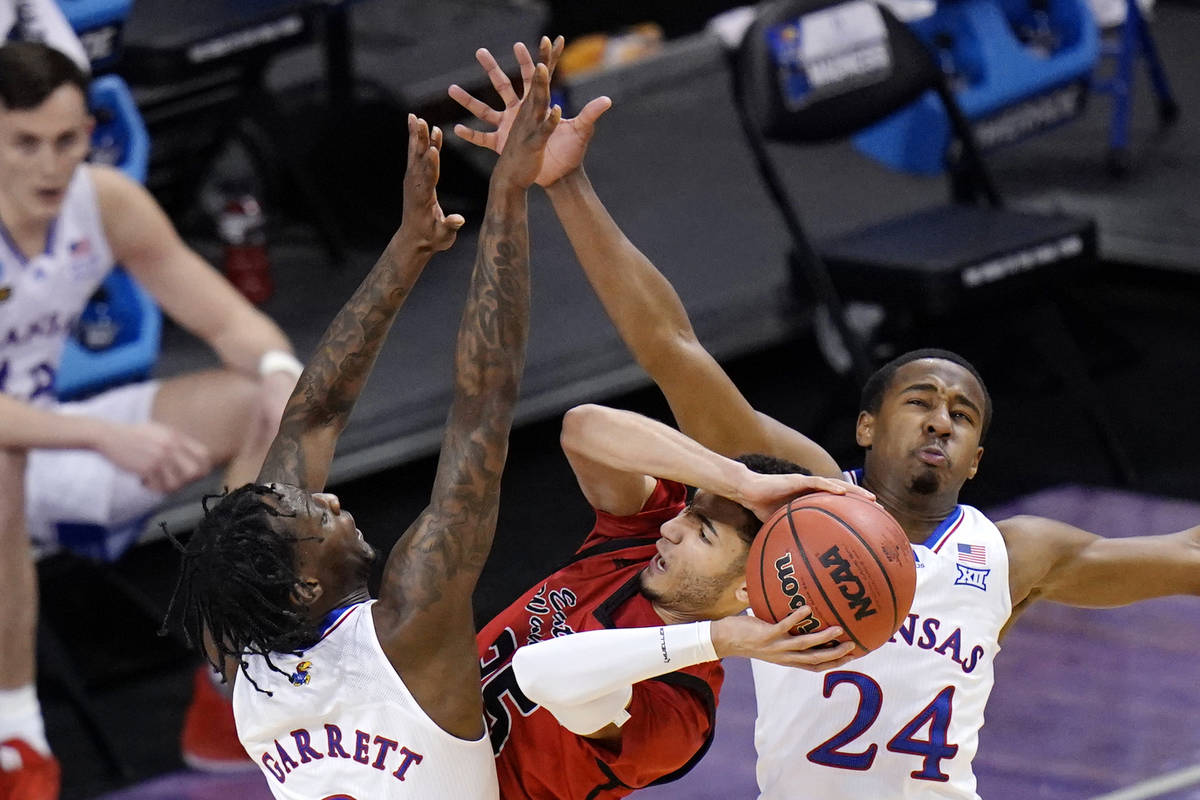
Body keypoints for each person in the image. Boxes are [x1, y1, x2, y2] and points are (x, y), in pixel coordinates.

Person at [452, 41, 1200, 800]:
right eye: (920, 401)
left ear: (977, 459)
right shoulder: (797, 500)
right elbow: (670, 346)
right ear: (867, 427)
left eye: (964, 414)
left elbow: (1187, 558)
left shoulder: (1012, 554)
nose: (942, 419)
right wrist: (569, 182)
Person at [163, 51, 561, 798]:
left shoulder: (245, 650)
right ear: (298, 591)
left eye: (312, 499)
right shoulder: (408, 629)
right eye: (314, 514)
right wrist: (508, 197)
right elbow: (483, 408)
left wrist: (408, 247)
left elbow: (313, 415)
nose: (331, 499)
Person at [0, 40, 302, 798]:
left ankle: (231, 682)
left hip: (53, 442)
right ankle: (20, 743)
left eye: (67, 141)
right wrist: (108, 436)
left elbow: (240, 327)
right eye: (26, 143)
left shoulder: (102, 201)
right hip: (30, 453)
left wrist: (281, 377)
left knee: (268, 404)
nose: (50, 164)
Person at [477, 401, 868, 799]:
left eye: (703, 534)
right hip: (417, 737)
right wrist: (741, 483)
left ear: (751, 589)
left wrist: (715, 639)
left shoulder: (680, 711)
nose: (670, 527)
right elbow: (583, 427)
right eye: (689, 512)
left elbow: (542, 672)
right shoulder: (643, 540)